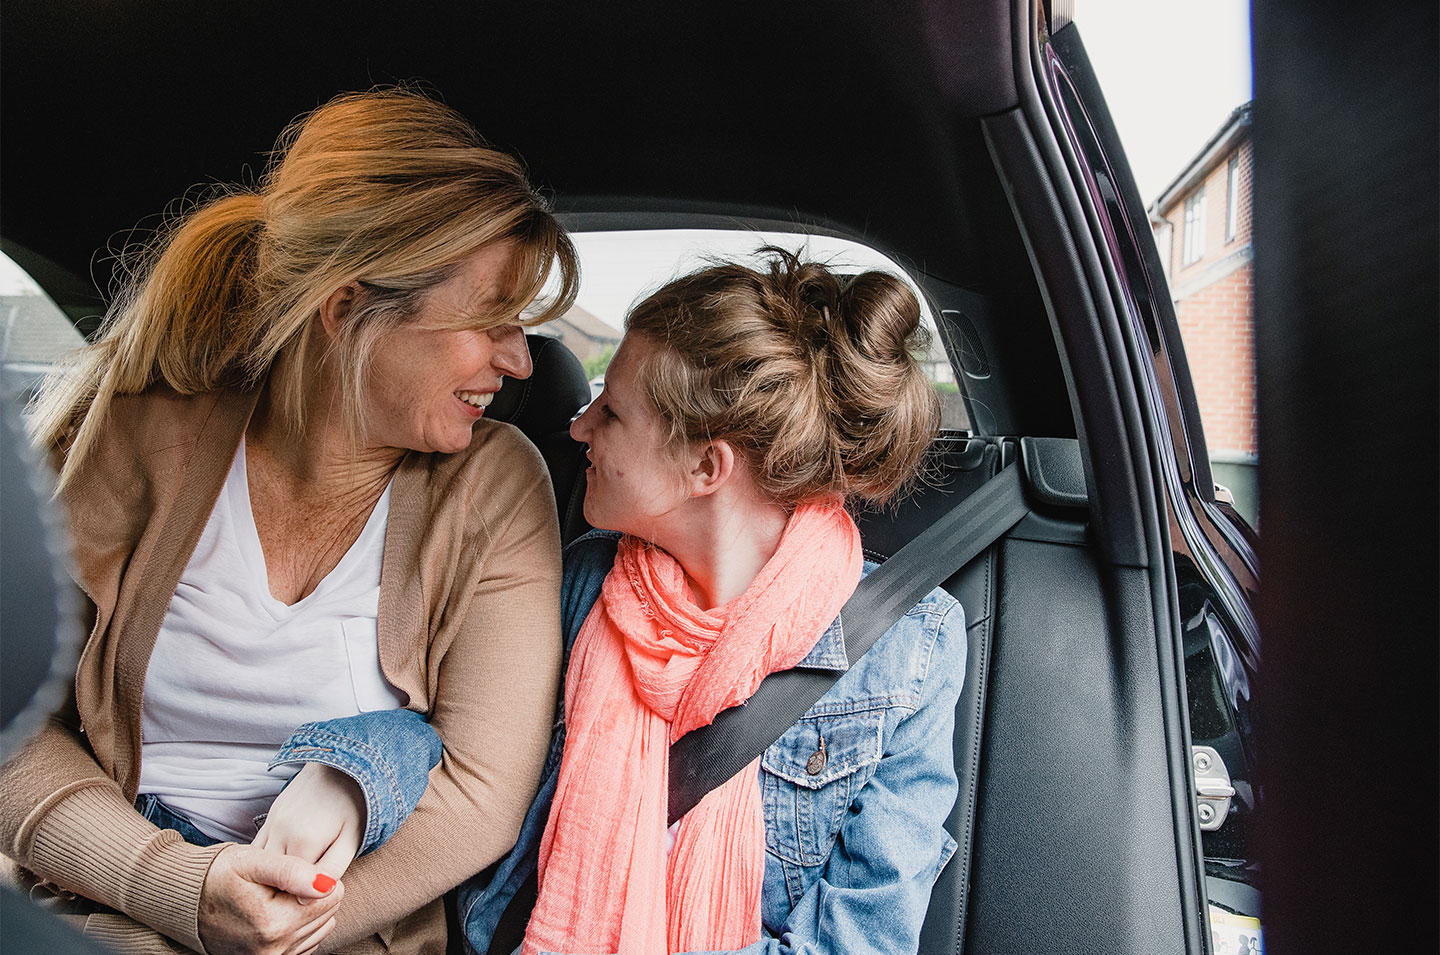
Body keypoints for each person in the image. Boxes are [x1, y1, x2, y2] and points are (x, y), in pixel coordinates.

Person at [0, 89, 579, 955]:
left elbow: (483, 788)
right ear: (347, 312)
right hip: (112, 906)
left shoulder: (494, 484)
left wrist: (290, 927)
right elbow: (15, 727)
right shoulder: (139, 434)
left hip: (347, 929)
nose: (520, 359)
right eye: (489, 320)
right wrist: (180, 890)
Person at [329, 248, 966, 954]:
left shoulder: (909, 647)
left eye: (613, 412)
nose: (578, 428)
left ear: (705, 465)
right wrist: (350, 778)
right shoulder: (581, 583)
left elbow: (861, 940)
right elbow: (462, 742)